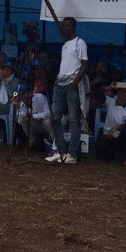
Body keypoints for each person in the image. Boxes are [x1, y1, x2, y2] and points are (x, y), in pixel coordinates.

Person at [46, 17, 88, 164]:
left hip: (71, 83)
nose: (65, 28)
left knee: (73, 119)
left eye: (68, 25)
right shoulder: (65, 45)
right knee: (54, 117)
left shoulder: (79, 42)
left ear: (74, 26)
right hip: (60, 83)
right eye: (63, 25)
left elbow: (85, 63)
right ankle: (61, 152)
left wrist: (76, 82)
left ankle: (72, 154)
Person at [95, 82, 126, 166]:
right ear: (117, 94)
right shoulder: (110, 102)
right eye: (120, 91)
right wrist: (108, 87)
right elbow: (97, 94)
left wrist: (115, 128)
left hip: (120, 137)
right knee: (104, 157)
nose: (122, 94)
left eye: (125, 92)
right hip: (108, 136)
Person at [17, 83, 55, 151]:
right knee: (24, 122)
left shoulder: (40, 97)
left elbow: (49, 113)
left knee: (46, 122)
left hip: (50, 126)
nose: (22, 95)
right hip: (39, 128)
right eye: (21, 94)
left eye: (24, 93)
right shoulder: (21, 103)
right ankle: (33, 143)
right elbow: (19, 121)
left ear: (30, 92)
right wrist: (18, 110)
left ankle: (55, 143)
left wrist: (33, 116)